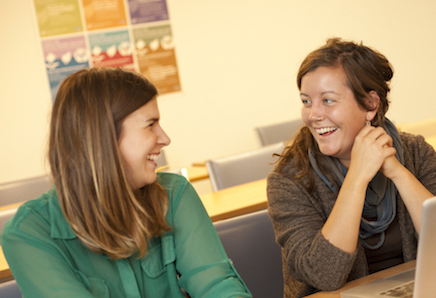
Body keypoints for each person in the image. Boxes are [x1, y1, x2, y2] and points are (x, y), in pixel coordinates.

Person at [1, 68, 251, 297]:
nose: (165, 138)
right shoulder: (28, 234)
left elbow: (217, 285)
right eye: (151, 124)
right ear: (103, 137)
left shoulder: (174, 194)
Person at [267, 38, 436, 297]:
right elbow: (323, 275)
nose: (313, 114)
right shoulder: (289, 180)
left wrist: (397, 172)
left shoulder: (416, 152)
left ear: (370, 104)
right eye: (306, 101)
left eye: (327, 101)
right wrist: (357, 177)